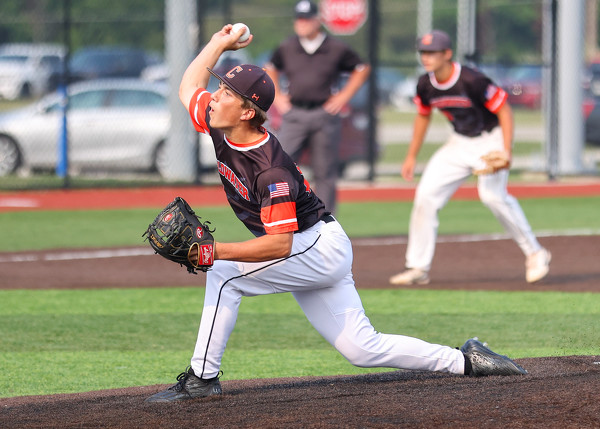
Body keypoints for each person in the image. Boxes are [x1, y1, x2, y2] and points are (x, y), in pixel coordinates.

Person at [145, 24, 527, 403]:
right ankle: (466, 360)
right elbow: (187, 87)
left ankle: (201, 379)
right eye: (220, 88)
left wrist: (214, 252)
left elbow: (279, 244)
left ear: (247, 111)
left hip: (314, 247)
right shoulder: (220, 126)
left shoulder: (270, 170)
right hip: (313, 246)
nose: (214, 96)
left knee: (225, 274)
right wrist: (218, 43)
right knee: (363, 349)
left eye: (226, 92)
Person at [389, 30, 551, 286]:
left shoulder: (472, 80)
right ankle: (418, 267)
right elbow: (423, 115)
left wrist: (506, 151)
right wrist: (411, 156)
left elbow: (505, 110)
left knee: (492, 196)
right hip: (459, 142)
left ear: (447, 54)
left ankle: (535, 253)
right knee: (426, 196)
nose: (427, 57)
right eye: (423, 52)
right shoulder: (425, 84)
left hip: (491, 140)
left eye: (432, 52)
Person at [264, 0, 371, 215]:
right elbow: (270, 68)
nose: (301, 23)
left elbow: (362, 68)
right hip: (295, 113)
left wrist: (343, 96)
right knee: (279, 165)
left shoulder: (335, 47)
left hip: (324, 114)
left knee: (325, 172)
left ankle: (325, 221)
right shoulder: (288, 46)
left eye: (306, 19)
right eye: (299, 19)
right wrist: (278, 97)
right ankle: (282, 213)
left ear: (317, 20)